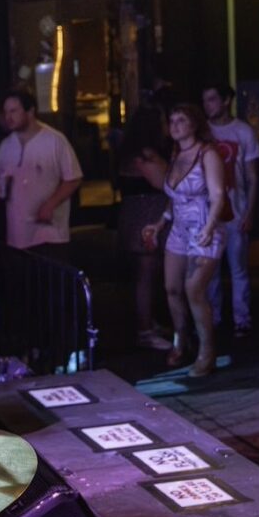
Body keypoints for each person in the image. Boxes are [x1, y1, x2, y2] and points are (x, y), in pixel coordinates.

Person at [147, 104, 228, 378]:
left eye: (181, 120)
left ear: (194, 124)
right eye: (172, 120)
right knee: (171, 287)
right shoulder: (176, 154)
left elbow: (218, 195)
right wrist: (160, 223)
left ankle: (207, 351)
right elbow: (175, 196)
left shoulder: (207, 154)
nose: (175, 125)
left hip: (203, 227)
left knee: (194, 289)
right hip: (180, 228)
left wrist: (210, 226)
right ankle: (181, 339)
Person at [0, 86, 83, 261]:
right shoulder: (5, 146)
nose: (8, 117)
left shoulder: (55, 140)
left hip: (50, 232)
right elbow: (0, 179)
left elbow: (73, 178)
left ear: (30, 111)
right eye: (6, 112)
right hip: (18, 234)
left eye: (14, 111)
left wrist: (50, 204)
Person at [201, 84, 259, 336]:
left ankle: (241, 319)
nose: (208, 105)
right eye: (205, 100)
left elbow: (252, 176)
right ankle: (214, 318)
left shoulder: (243, 131)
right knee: (210, 271)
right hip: (207, 214)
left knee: (238, 268)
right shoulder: (202, 131)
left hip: (235, 210)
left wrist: (249, 211)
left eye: (212, 99)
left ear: (226, 101)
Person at [114, 109, 170, 349]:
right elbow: (164, 182)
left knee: (146, 273)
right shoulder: (145, 155)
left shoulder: (129, 153)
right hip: (145, 217)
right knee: (146, 273)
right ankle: (145, 330)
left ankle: (148, 323)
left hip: (134, 215)